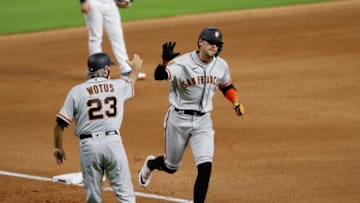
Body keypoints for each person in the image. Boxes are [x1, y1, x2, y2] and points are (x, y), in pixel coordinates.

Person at [137, 27, 245, 203]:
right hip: (179, 120)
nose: (214, 46)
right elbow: (160, 76)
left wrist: (235, 101)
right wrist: (164, 62)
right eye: (211, 42)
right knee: (171, 166)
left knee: (205, 167)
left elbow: (226, 86)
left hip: (203, 121)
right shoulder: (182, 63)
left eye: (217, 44)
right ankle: (150, 164)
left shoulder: (221, 65)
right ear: (200, 42)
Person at [53, 52, 143, 203]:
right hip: (113, 144)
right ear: (106, 70)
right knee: (126, 195)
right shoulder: (118, 85)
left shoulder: (76, 91)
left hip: (89, 147)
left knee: (93, 197)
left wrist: (58, 148)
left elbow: (60, 124)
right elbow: (132, 81)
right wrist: (136, 69)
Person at [79, 0, 146, 79]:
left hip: (110, 3)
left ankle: (126, 70)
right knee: (95, 37)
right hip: (93, 3)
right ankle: (97, 71)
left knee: (117, 35)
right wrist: (83, 1)